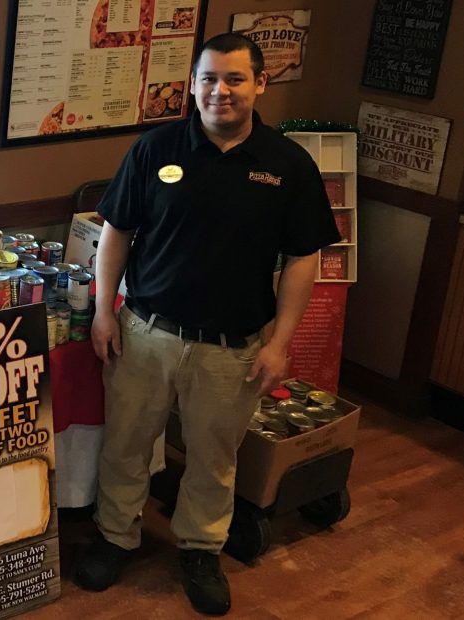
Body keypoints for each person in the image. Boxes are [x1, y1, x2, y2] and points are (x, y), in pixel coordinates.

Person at [75, 33, 341, 615]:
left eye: (234, 79)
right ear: (193, 84)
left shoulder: (287, 164)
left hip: (234, 347)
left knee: (214, 460)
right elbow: (116, 230)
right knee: (125, 447)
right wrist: (103, 311)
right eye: (208, 79)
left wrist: (282, 342)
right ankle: (115, 537)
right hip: (146, 332)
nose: (219, 91)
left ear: (259, 84)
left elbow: (304, 257)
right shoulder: (155, 148)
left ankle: (200, 549)